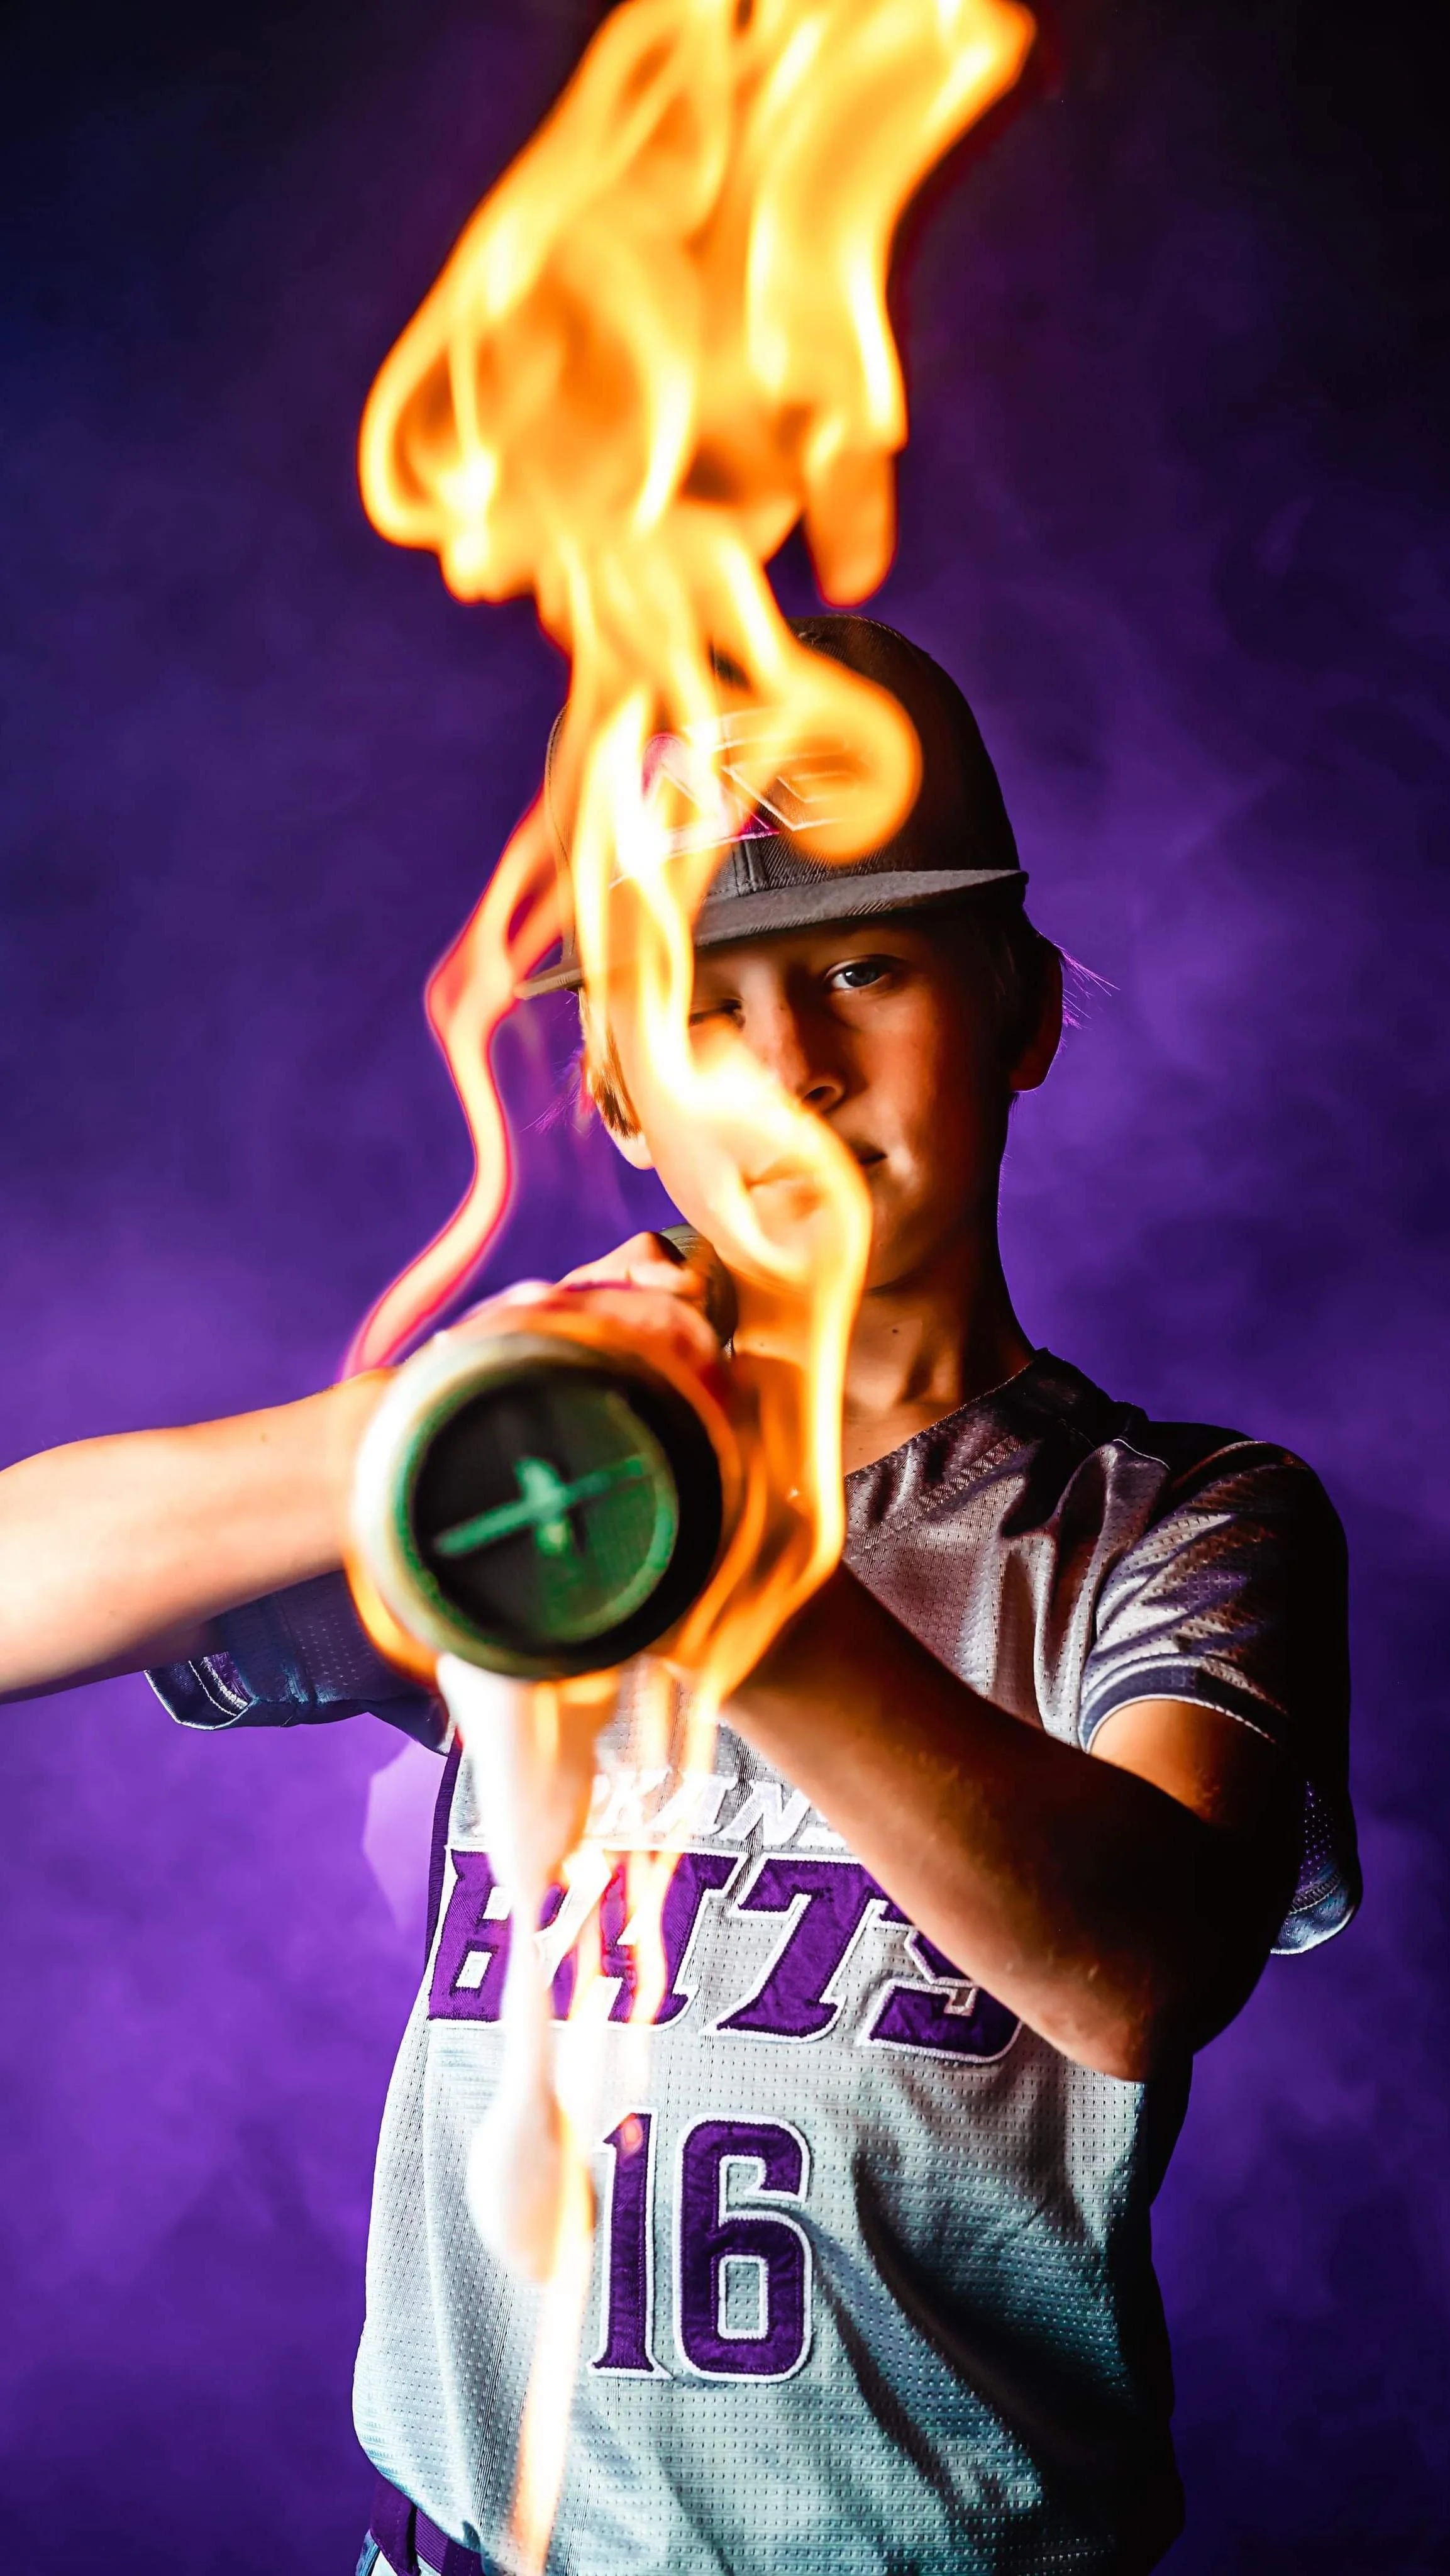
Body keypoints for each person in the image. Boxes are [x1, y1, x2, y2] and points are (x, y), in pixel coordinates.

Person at [0, 616, 1358, 2576]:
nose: (792, 1068)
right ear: (624, 1099)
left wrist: (726, 1575)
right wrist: (454, 1412)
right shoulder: (538, 1493)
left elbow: (1135, 1976)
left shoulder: (1176, 1522)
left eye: (866, 969)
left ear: (1023, 1010)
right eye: (706, 1010)